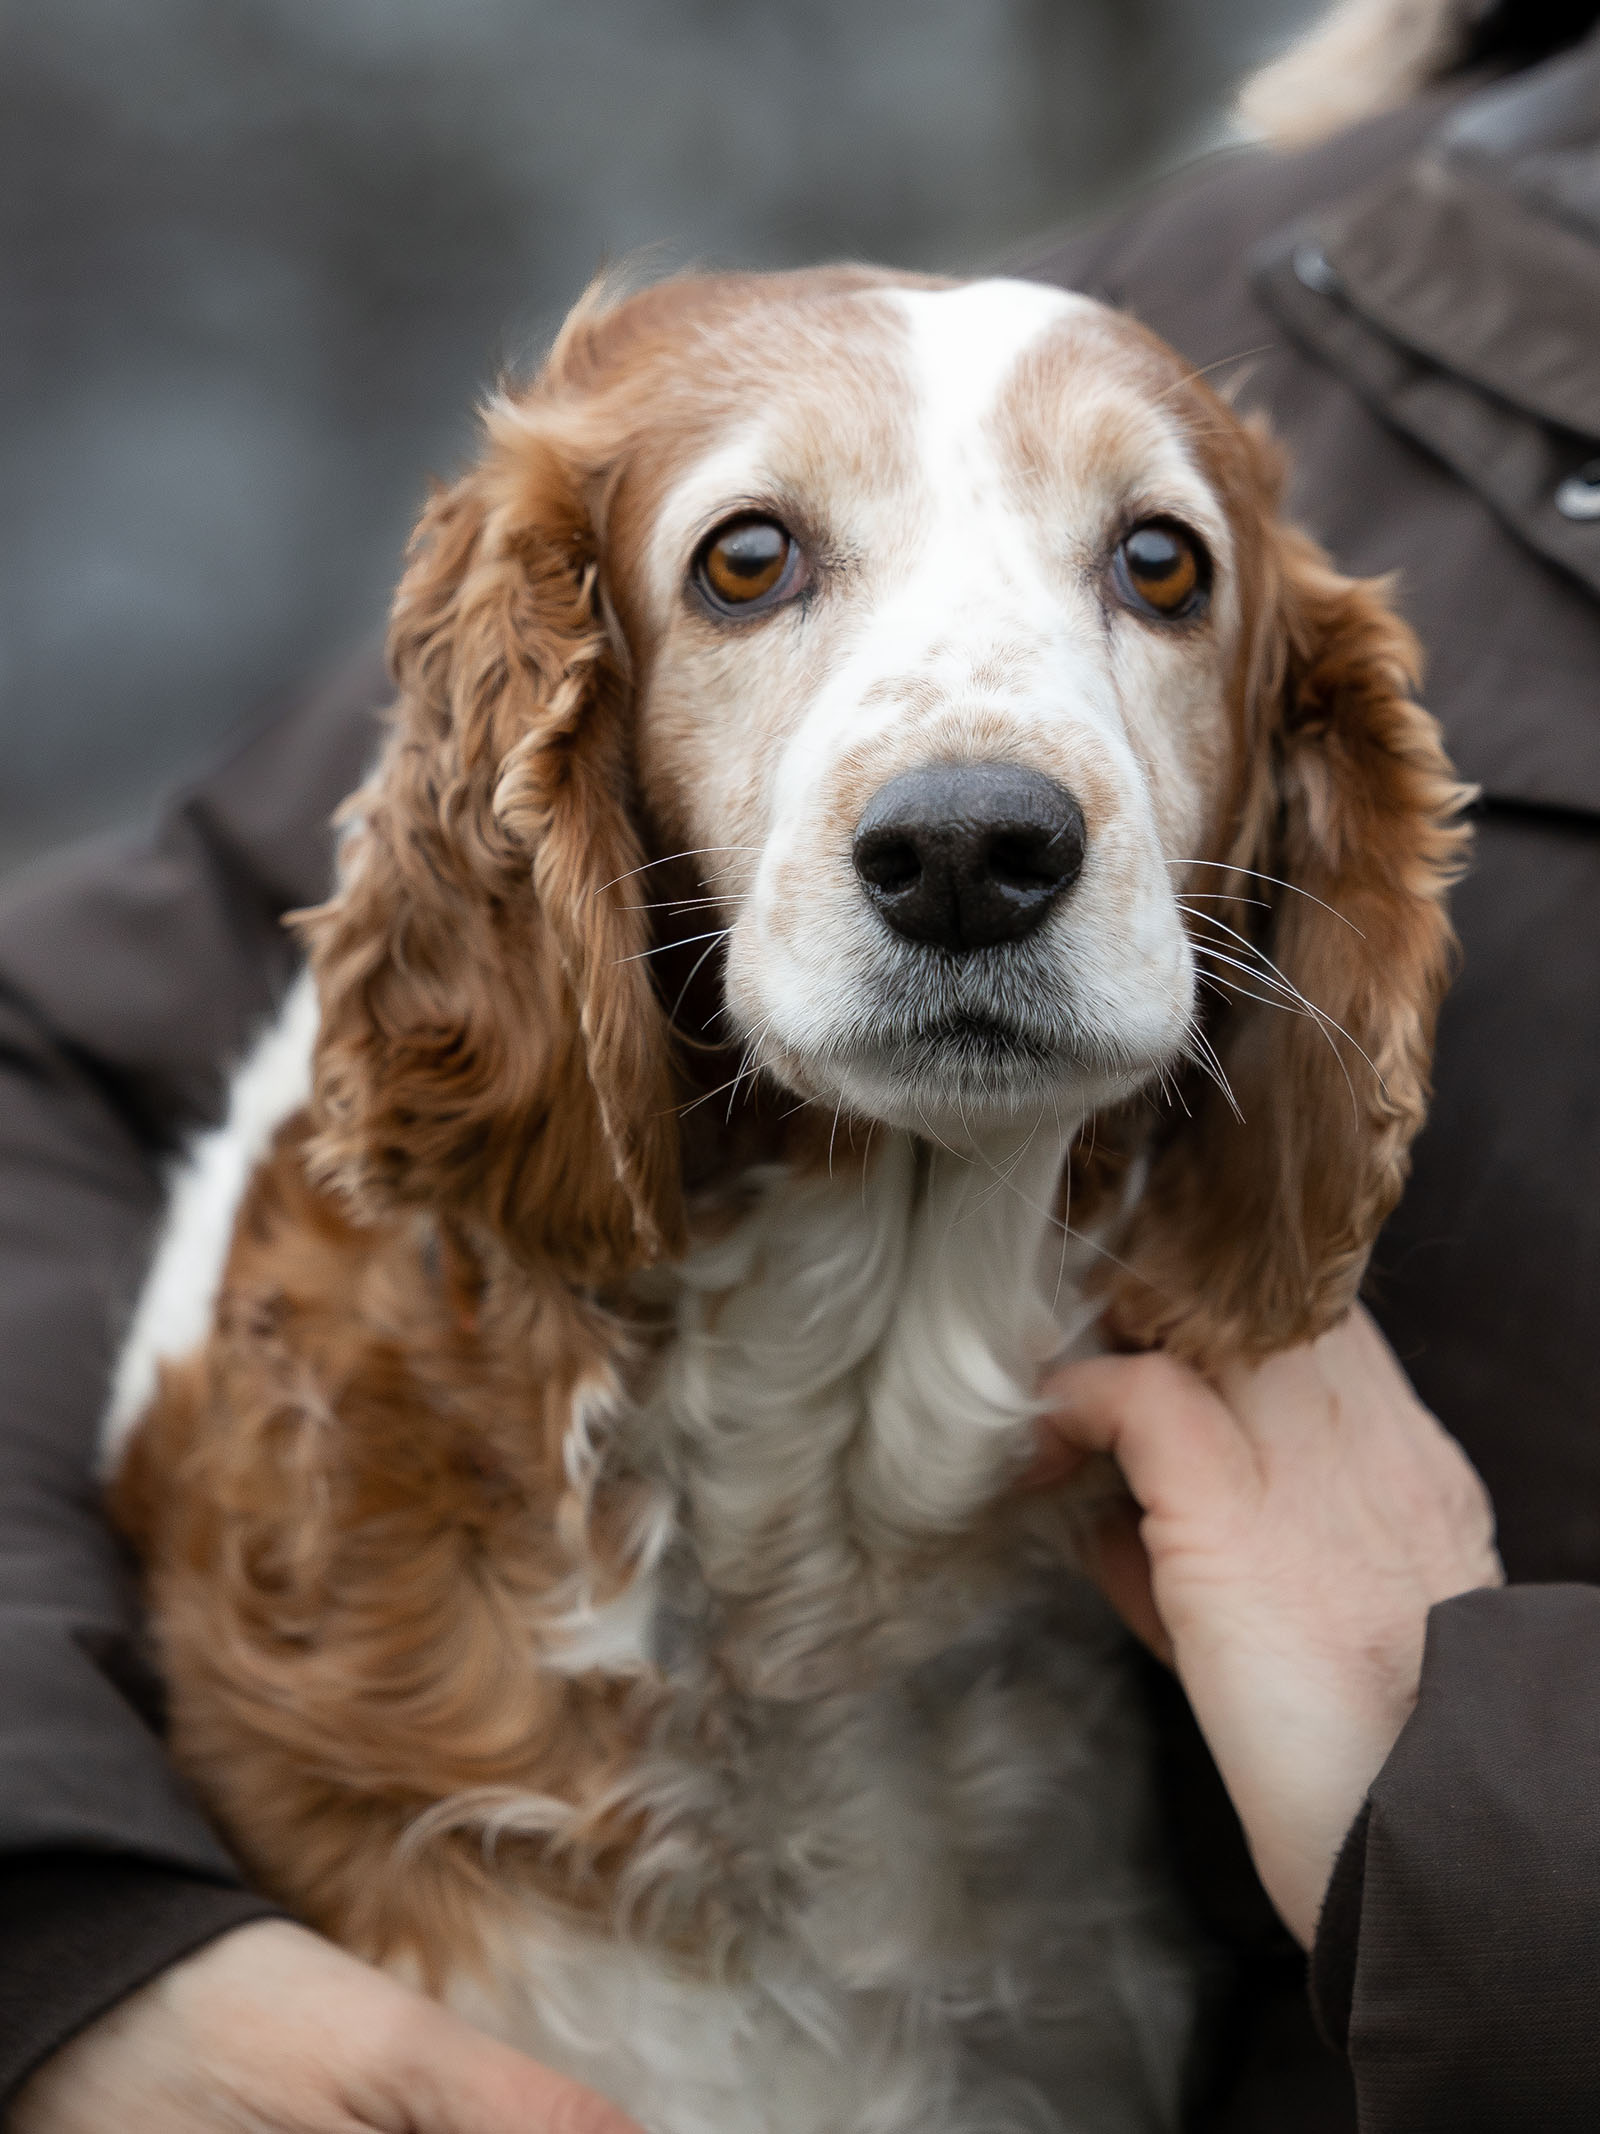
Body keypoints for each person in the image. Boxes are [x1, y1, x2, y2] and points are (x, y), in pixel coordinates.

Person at [1, 0, 1596, 2127]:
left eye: (1145, 573)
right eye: (754, 567)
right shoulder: (1280, 266)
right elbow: (51, 1064)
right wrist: (74, 1931)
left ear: (1278, 802)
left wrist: (1478, 1789)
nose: (974, 800)